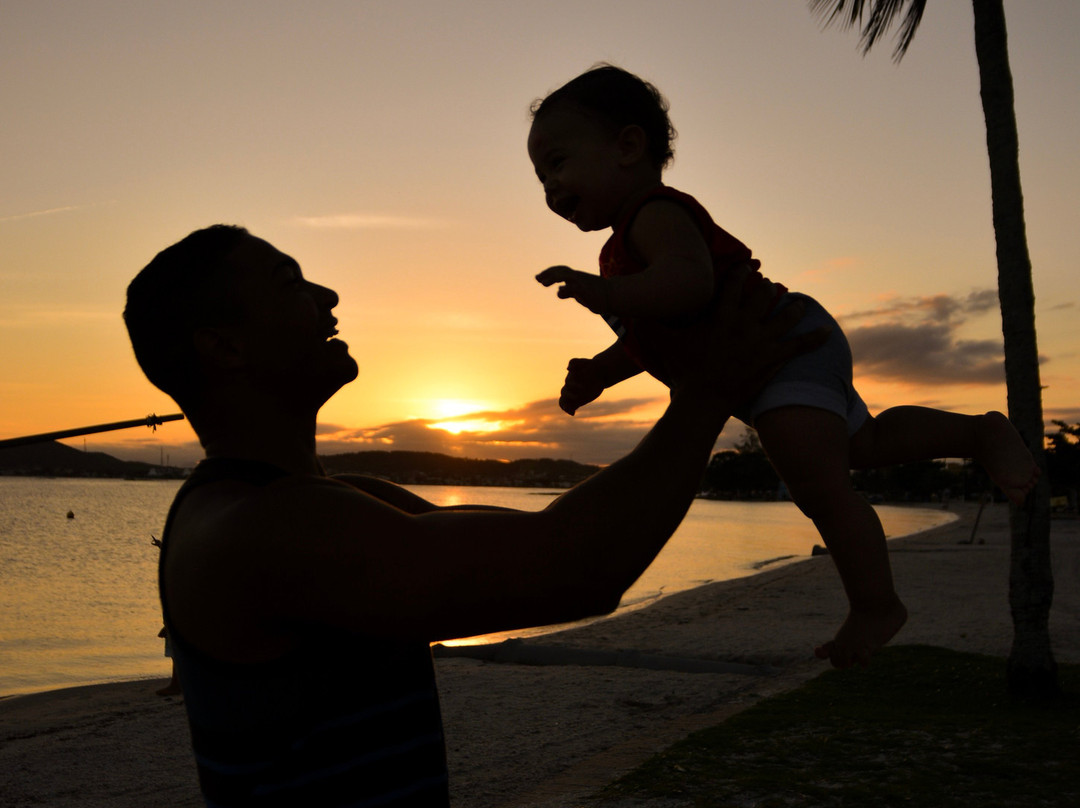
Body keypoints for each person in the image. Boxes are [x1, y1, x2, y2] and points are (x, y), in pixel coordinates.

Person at [123, 224, 820, 806]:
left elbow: (546, 539)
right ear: (224, 346)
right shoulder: (262, 527)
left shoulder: (329, 499)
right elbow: (574, 569)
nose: (327, 296)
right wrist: (705, 395)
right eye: (289, 284)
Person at [527, 64, 1040, 670]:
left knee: (817, 484)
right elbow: (661, 336)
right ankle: (977, 432)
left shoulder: (654, 215)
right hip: (793, 343)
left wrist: (607, 295)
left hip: (784, 346)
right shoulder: (627, 243)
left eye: (558, 163)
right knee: (864, 443)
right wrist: (601, 371)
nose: (550, 188)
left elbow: (687, 288)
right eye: (540, 178)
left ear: (628, 147)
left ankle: (876, 604)